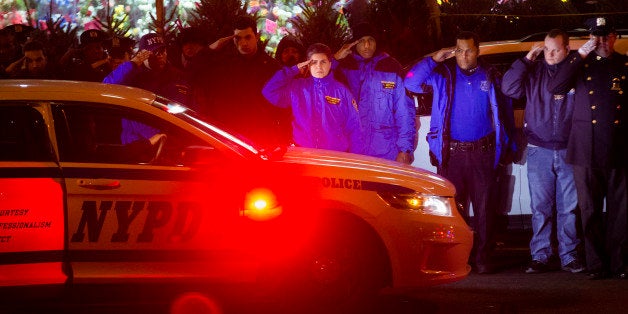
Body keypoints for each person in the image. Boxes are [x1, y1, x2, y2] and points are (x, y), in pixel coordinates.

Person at [404, 31, 516, 274]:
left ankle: (483, 258)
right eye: (459, 50)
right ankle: (458, 257)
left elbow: (505, 110)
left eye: (469, 50)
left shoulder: (491, 75)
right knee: (453, 210)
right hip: (451, 154)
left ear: (478, 50)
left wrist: (509, 145)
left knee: (485, 210)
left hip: (483, 153)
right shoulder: (443, 75)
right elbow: (410, 82)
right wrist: (434, 59)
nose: (464, 56)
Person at [548, 17, 628, 280]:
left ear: (615, 37)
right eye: (596, 36)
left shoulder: (624, 64)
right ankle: (596, 265)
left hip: (619, 148)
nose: (602, 41)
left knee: (620, 211)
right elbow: (556, 86)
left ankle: (620, 263)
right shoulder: (581, 65)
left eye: (606, 36)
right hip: (586, 150)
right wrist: (580, 53)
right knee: (590, 211)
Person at [502, 29, 584, 274]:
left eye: (556, 49)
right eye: (546, 49)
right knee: (540, 208)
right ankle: (540, 255)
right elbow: (509, 88)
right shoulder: (534, 72)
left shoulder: (576, 72)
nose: (550, 54)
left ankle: (569, 256)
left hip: (570, 149)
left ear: (567, 49)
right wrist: (527, 59)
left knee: (568, 208)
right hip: (539, 150)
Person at [199, 15, 290, 148]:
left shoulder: (272, 68)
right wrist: (212, 48)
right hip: (231, 137)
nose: (243, 43)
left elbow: (283, 107)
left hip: (262, 138)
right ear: (232, 39)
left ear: (256, 37)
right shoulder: (226, 65)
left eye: (248, 37)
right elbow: (195, 72)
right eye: (238, 38)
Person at [334, 22, 415, 163]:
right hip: (352, 149)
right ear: (354, 44)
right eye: (361, 41)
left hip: (387, 149)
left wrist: (405, 149)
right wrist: (335, 60)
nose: (367, 45)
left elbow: (405, 111)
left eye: (370, 40)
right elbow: (319, 85)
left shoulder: (391, 66)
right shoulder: (343, 68)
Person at [262, 43, 363, 154]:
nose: (319, 66)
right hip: (303, 152)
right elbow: (269, 91)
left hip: (334, 155)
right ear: (307, 64)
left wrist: (356, 159)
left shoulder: (342, 92)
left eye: (323, 62)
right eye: (314, 62)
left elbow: (355, 128)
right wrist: (293, 70)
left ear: (330, 63)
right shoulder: (297, 88)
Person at [103, 33, 191, 106]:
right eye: (155, 52)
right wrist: (131, 64)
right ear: (143, 54)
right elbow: (106, 88)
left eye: (162, 51)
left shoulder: (178, 76)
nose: (160, 56)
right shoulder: (134, 75)